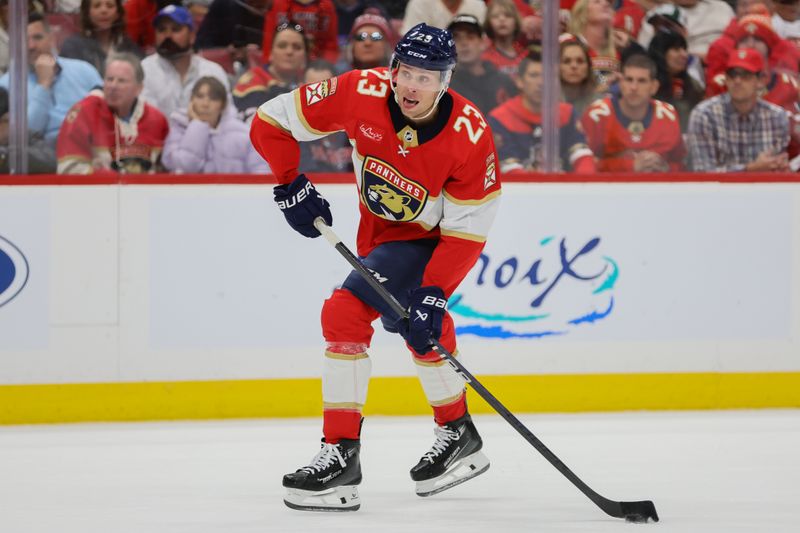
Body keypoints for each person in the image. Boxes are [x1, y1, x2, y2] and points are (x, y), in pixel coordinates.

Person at [251, 22, 501, 511]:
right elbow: (269, 120)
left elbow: (469, 228)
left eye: (427, 78)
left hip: (432, 241)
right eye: (406, 72)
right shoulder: (358, 91)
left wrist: (436, 289)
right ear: (391, 70)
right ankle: (458, 432)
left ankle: (341, 455)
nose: (413, 85)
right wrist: (288, 184)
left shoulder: (470, 135)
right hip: (380, 237)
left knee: (344, 313)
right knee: (414, 327)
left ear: (446, 82)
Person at [0, 12, 103, 146]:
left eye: (37, 37)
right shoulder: (7, 85)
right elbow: (22, 137)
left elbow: (108, 114)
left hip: (91, 145)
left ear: (52, 39)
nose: (31, 46)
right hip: (42, 156)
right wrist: (43, 84)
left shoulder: (83, 70)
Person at [56, 52, 169, 174]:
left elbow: (166, 171)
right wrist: (107, 178)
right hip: (95, 192)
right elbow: (67, 169)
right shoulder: (83, 113)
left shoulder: (157, 120)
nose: (113, 86)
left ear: (139, 88)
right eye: (109, 79)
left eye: (121, 81)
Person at [489, 49, 595, 173]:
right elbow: (510, 171)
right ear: (519, 81)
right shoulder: (500, 119)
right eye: (534, 75)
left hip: (562, 188)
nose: (541, 83)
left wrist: (582, 185)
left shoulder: (567, 113)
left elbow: (582, 156)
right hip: (522, 191)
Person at [687, 48, 790, 172]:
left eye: (745, 75)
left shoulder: (777, 117)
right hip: (717, 191)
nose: (737, 81)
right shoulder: (704, 115)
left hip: (763, 189)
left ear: (761, 81)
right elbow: (702, 173)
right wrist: (750, 169)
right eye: (732, 74)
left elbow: (775, 169)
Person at [581, 54, 685, 172]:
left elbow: (681, 164)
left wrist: (665, 168)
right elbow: (584, 164)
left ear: (654, 87)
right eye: (629, 80)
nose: (634, 87)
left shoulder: (668, 115)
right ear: (620, 83)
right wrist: (629, 166)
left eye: (642, 81)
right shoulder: (596, 115)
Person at [140, 4, 231, 121]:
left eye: (175, 29)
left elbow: (228, 117)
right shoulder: (143, 71)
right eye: (162, 30)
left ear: (192, 36)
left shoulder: (213, 72)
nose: (167, 35)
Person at [162, 76, 268, 173]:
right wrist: (198, 126)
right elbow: (187, 166)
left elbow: (261, 172)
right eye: (200, 96)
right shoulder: (179, 128)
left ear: (223, 104)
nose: (205, 104)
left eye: (213, 98)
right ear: (191, 100)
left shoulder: (244, 134)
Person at [232, 21, 308, 119]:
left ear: (305, 56)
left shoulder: (310, 82)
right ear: (271, 53)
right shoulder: (254, 80)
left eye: (297, 47)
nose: (289, 52)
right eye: (282, 46)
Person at [448, 14, 517, 116]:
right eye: (457, 38)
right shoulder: (445, 87)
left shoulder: (504, 81)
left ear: (483, 43)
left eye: (470, 37)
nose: (464, 43)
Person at [60, 0, 144, 77]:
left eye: (110, 6)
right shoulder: (73, 47)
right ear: (87, 12)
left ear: (118, 13)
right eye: (97, 6)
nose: (104, 11)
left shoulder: (130, 48)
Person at [297, 60, 353, 172]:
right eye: (312, 90)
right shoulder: (292, 130)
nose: (319, 97)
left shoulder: (354, 126)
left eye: (325, 89)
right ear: (299, 89)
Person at [647, 28, 704, 130]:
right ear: (661, 52)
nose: (684, 55)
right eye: (676, 49)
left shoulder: (693, 85)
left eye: (684, 49)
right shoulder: (644, 82)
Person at [260, 0, 339, 63]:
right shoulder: (278, 3)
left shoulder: (326, 5)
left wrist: (325, 68)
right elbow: (268, 41)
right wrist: (267, 63)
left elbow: (330, 45)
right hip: (283, 63)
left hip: (316, 66)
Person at [481, 0, 526, 78]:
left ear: (516, 22)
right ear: (489, 23)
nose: (502, 19)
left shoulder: (525, 55)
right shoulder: (482, 58)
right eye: (495, 16)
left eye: (508, 15)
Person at [559, 33, 600, 116]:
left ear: (588, 67)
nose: (574, 66)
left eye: (580, 61)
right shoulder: (545, 102)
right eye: (567, 61)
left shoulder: (599, 104)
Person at [401, 0, 487, 33]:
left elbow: (484, 41)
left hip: (470, 63)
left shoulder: (478, 5)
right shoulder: (419, 4)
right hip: (428, 64)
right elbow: (411, 41)